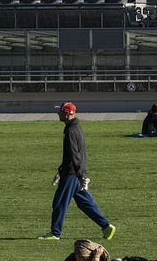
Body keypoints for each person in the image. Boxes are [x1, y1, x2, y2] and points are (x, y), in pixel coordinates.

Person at [41, 102, 115, 241]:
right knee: (85, 203)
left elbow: (74, 155)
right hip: (75, 172)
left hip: (73, 173)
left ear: (68, 114)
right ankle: (106, 226)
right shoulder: (76, 128)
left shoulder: (70, 131)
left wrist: (79, 175)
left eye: (61, 112)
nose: (58, 114)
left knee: (60, 202)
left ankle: (55, 233)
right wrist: (62, 170)